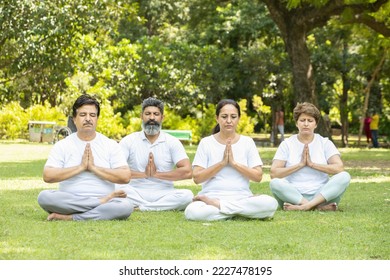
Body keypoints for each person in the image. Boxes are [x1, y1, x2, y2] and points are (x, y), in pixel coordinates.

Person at [37, 94, 133, 221]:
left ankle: (72, 217)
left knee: (126, 206)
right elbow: (48, 176)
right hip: (73, 200)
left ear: (97, 119)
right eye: (83, 115)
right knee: (44, 197)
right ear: (74, 119)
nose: (88, 119)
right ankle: (99, 204)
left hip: (94, 202)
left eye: (92, 115)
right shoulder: (63, 145)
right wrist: (81, 167)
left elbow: (125, 177)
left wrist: (93, 168)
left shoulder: (110, 145)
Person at [184, 99, 278, 221]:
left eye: (233, 117)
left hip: (241, 197)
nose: (229, 121)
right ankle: (242, 213)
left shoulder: (247, 142)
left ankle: (222, 208)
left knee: (270, 203)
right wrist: (222, 163)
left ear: (238, 118)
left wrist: (234, 163)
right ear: (217, 118)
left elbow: (258, 176)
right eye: (224, 116)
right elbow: (197, 178)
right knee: (193, 212)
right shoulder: (206, 143)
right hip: (211, 197)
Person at [269, 102, 351, 211]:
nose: (306, 124)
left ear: (316, 124)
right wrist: (300, 164)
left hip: (321, 195)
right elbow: (274, 173)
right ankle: (316, 207)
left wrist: (312, 164)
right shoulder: (287, 144)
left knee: (344, 176)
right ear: (297, 123)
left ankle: (305, 207)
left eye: (310, 121)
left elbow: (339, 168)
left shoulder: (325, 143)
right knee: (275, 183)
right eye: (302, 120)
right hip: (293, 195)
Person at [117, 97, 193, 211]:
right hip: (134, 191)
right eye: (148, 114)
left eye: (156, 114)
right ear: (141, 116)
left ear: (162, 117)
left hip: (164, 192)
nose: (152, 117)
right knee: (113, 188)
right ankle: (155, 207)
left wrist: (156, 175)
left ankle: (142, 208)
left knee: (187, 195)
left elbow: (187, 171)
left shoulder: (172, 142)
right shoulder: (128, 140)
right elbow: (116, 170)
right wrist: (144, 174)